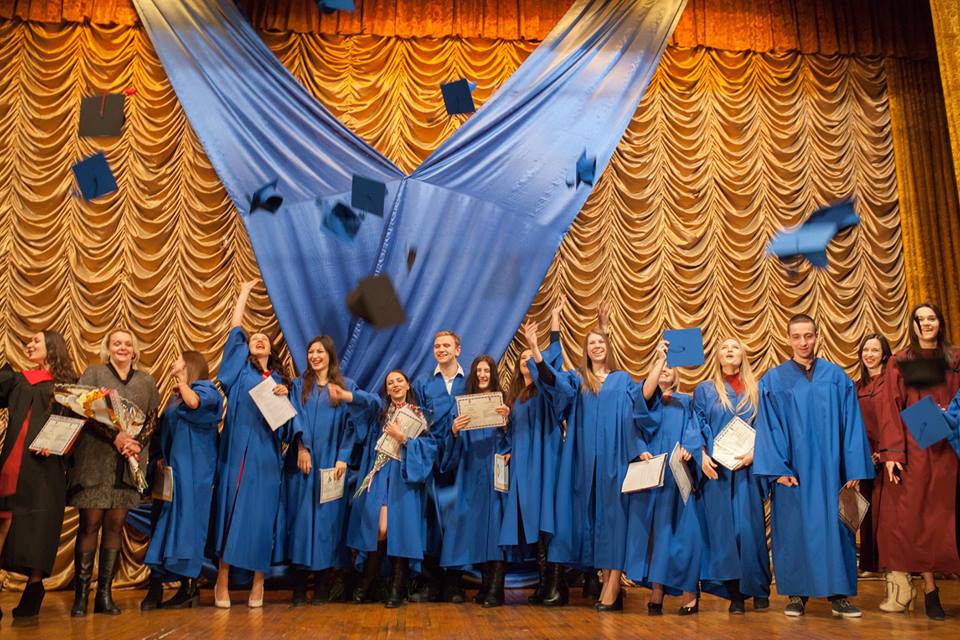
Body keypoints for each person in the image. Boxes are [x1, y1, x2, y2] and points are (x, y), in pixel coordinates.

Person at [753, 313, 873, 619]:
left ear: (817, 336)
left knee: (838, 529)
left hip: (833, 472)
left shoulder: (837, 378)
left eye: (808, 336)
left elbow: (852, 424)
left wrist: (855, 468)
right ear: (788, 339)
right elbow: (768, 428)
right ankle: (797, 595)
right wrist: (778, 469)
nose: (803, 342)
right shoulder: (773, 381)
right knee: (794, 531)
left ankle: (839, 595)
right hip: (794, 474)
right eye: (797, 336)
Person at [524, 309, 643, 611]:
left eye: (601, 342)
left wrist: (637, 449)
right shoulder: (578, 380)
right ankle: (606, 584)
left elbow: (638, 411)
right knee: (590, 521)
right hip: (584, 463)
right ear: (586, 350)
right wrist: (536, 350)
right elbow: (553, 383)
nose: (597, 347)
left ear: (608, 346)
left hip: (615, 461)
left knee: (614, 521)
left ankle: (612, 586)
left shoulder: (622, 380)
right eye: (592, 343)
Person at [875, 303, 960, 620]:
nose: (926, 323)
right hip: (918, 450)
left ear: (940, 322)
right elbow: (891, 408)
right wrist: (893, 454)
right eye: (919, 319)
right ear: (912, 324)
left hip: (952, 446)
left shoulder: (955, 359)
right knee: (922, 520)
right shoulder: (901, 361)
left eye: (931, 318)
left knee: (949, 517)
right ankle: (930, 589)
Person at [68, 328, 160, 617]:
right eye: (117, 343)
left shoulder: (146, 381)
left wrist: (135, 443)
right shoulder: (94, 374)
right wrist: (115, 437)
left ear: (134, 350)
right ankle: (81, 596)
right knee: (90, 524)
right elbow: (81, 410)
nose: (122, 347)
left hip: (129, 463)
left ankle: (104, 596)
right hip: (95, 461)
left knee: (115, 526)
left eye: (127, 344)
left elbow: (152, 419)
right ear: (108, 349)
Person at [211, 279, 291, 609]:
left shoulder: (280, 381)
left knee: (261, 519)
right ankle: (222, 579)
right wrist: (243, 293)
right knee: (230, 515)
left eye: (264, 339)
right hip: (235, 455)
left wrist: (285, 399)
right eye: (253, 338)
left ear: (271, 351)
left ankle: (259, 582)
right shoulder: (239, 371)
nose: (257, 340)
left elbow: (288, 427)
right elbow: (235, 332)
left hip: (265, 458)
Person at [336, 370, 439, 608]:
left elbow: (429, 448)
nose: (395, 385)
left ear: (408, 385)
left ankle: (395, 588)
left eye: (399, 381)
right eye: (390, 382)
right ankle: (370, 581)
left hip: (404, 477)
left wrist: (403, 438)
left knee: (399, 530)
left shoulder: (419, 416)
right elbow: (361, 425)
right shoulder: (380, 414)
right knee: (380, 529)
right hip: (380, 476)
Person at [0, 331, 78, 619]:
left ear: (52, 348)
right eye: (28, 342)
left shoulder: (68, 388)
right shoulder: (19, 380)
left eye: (36, 341)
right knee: (4, 522)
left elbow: (75, 425)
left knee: (39, 526)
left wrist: (59, 445)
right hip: (13, 462)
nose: (29, 345)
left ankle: (34, 587)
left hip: (46, 467)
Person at [692, 338, 771, 614]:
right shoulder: (705, 390)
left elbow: (767, 427)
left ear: (743, 355)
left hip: (748, 469)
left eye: (735, 347)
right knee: (725, 533)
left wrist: (755, 453)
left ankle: (758, 588)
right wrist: (702, 454)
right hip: (718, 472)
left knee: (749, 531)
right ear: (717, 355)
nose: (729, 350)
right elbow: (696, 424)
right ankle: (735, 593)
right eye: (724, 347)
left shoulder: (757, 390)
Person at [277, 336, 355, 605]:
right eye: (310, 352)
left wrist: (343, 457)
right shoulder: (299, 386)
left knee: (327, 521)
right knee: (300, 521)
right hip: (303, 463)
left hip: (331, 463)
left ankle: (322, 584)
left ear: (330, 355)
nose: (314, 356)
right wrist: (302, 447)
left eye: (320, 351)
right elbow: (293, 417)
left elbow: (352, 425)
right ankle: (299, 586)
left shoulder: (344, 387)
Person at [627, 340, 703, 616]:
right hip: (653, 474)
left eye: (670, 366)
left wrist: (690, 448)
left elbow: (695, 429)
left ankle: (689, 592)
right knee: (657, 534)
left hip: (678, 473)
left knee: (685, 534)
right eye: (662, 366)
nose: (666, 369)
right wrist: (640, 449)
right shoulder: (646, 400)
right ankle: (657, 589)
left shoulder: (686, 401)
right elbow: (635, 427)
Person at [143, 351, 223, 609]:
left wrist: (183, 384)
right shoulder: (174, 398)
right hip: (174, 470)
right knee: (168, 522)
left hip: (195, 470)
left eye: (177, 359)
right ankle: (162, 585)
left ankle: (189, 587)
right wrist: (159, 456)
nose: (172, 362)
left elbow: (195, 404)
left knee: (189, 524)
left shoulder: (206, 388)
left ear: (189, 364)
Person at [499, 304, 565, 606]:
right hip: (523, 466)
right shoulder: (514, 397)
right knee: (534, 522)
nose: (527, 360)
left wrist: (553, 324)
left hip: (546, 461)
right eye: (522, 358)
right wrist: (505, 425)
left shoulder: (546, 391)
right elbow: (511, 435)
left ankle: (556, 585)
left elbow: (555, 361)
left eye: (531, 358)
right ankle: (543, 582)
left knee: (548, 518)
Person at [441, 355, 511, 607]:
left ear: (493, 374)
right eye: (479, 370)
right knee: (476, 527)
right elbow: (451, 443)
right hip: (470, 471)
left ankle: (496, 589)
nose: (482, 374)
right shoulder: (462, 405)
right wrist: (454, 431)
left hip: (495, 470)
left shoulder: (503, 403)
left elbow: (513, 440)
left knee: (495, 527)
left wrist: (507, 425)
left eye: (487, 370)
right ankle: (484, 585)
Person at [410, 330, 467, 602]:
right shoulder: (422, 384)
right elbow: (419, 424)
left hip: (462, 459)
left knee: (457, 518)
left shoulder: (469, 383)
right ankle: (430, 581)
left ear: (458, 349)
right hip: (432, 458)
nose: (441, 349)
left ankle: (454, 582)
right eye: (437, 346)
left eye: (446, 345)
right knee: (431, 518)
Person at [854, 334, 891, 582]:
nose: (869, 354)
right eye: (865, 350)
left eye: (875, 350)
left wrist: (886, 450)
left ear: (884, 354)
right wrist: (864, 454)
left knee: (890, 512)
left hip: (892, 456)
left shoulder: (894, 383)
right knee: (867, 512)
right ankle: (870, 562)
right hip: (865, 458)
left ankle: (894, 561)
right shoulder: (856, 387)